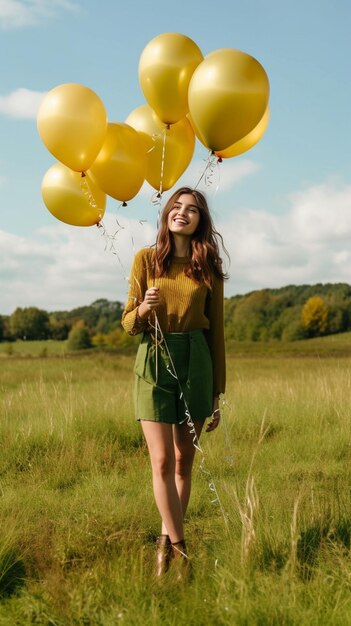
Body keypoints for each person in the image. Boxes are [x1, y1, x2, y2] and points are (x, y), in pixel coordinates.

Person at [121, 186, 227, 578]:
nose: (183, 213)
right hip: (153, 360)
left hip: (196, 361)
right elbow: (129, 324)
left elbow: (216, 333)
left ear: (201, 221)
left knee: (185, 461)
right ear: (167, 213)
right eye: (177, 207)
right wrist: (144, 309)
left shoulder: (207, 267)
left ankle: (166, 541)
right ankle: (181, 551)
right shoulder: (146, 260)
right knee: (162, 460)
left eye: (193, 210)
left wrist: (218, 392)